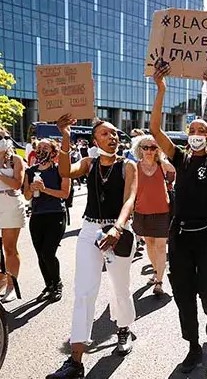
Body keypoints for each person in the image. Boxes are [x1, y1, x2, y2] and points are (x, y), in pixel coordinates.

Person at [151, 64, 207, 373]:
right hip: (181, 236)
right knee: (183, 293)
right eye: (192, 131)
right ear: (187, 136)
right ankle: (193, 346)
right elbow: (156, 130)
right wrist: (161, 89)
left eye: (202, 132)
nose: (196, 135)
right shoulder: (180, 158)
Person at [47, 116, 138, 378]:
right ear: (95, 140)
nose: (113, 138)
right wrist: (65, 136)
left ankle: (123, 329)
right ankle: (75, 361)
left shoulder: (128, 166)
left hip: (118, 232)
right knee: (84, 291)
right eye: (106, 134)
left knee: (119, 287)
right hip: (90, 231)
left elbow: (129, 199)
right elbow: (65, 171)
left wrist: (118, 228)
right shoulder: (89, 163)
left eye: (115, 134)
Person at [23, 139, 70, 303]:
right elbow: (26, 196)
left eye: (46, 147)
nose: (42, 149)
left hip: (56, 214)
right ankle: (48, 284)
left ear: (53, 152)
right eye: (39, 147)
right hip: (37, 215)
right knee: (40, 254)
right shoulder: (30, 171)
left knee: (48, 252)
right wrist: (31, 189)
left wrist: (44, 189)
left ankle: (57, 283)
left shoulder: (60, 170)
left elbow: (65, 194)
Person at [132, 135, 175, 296]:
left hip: (162, 212)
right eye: (146, 147)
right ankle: (157, 270)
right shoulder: (134, 166)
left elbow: (174, 170)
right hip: (141, 212)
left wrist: (161, 157)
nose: (149, 151)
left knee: (160, 246)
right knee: (149, 244)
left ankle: (159, 281)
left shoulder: (162, 165)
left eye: (153, 147)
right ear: (139, 149)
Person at [0, 127, 26, 303]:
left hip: (10, 204)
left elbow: (17, 183)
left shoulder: (16, 160)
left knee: (9, 248)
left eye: (3, 137)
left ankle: (11, 284)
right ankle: (1, 280)